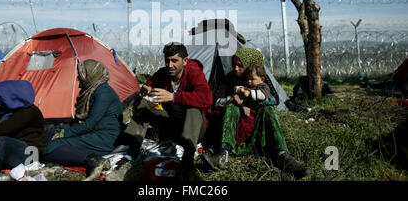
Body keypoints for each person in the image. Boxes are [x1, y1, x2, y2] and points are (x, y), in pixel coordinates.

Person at [106, 42, 212, 181]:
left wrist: (173, 97)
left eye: (174, 61)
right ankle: (131, 154)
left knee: (193, 109)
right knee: (145, 103)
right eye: (167, 60)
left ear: (185, 61)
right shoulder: (164, 73)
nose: (170, 65)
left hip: (195, 130)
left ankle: (187, 163)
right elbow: (149, 83)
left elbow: (207, 98)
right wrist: (146, 89)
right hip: (172, 126)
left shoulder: (194, 72)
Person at [202, 47, 309, 179]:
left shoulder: (260, 77)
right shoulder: (229, 78)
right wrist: (233, 100)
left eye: (240, 66)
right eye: (234, 65)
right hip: (236, 125)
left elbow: (273, 100)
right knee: (232, 108)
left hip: (256, 125)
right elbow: (216, 101)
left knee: (267, 109)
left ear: (250, 65)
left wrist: (246, 101)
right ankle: (223, 154)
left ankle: (282, 155)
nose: (235, 68)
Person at [42, 59, 123, 181]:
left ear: (90, 75)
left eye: (81, 75)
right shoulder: (94, 90)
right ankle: (62, 156)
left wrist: (63, 133)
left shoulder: (103, 93)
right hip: (95, 132)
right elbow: (84, 122)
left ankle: (93, 161)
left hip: (105, 137)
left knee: (50, 147)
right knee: (50, 134)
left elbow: (89, 124)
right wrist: (60, 130)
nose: (78, 79)